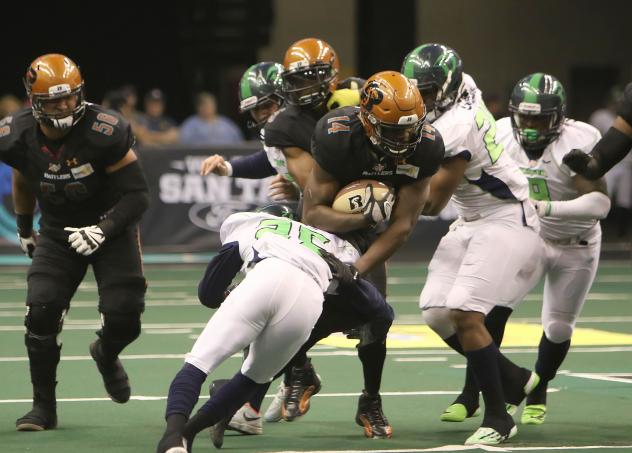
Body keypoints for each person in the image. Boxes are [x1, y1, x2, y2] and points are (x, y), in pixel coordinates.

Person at [155, 205, 393, 453]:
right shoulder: (336, 244)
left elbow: (208, 294)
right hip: (306, 303)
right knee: (253, 378)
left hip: (264, 280)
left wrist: (228, 295)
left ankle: (174, 437)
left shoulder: (250, 224)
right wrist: (356, 287)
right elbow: (377, 307)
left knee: (198, 363)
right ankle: (190, 433)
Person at [401, 44, 541, 445]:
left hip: (506, 217)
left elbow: (432, 203)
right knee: (435, 311)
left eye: (427, 92)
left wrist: (383, 184)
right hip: (473, 218)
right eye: (417, 90)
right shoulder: (464, 86)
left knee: (464, 311)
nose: (421, 100)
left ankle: (499, 417)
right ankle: (511, 376)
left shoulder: (455, 126)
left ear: (444, 89)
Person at [0, 54, 149, 430]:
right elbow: (23, 178)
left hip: (108, 228)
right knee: (41, 311)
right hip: (56, 231)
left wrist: (103, 229)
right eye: (54, 99)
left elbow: (137, 195)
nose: (65, 106)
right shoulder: (15, 135)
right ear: (34, 101)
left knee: (124, 316)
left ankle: (106, 351)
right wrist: (23, 227)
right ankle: (43, 407)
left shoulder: (105, 129)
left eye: (70, 97)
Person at [299, 70, 445, 438]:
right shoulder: (337, 136)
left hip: (376, 236)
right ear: (366, 119)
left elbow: (402, 226)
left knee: (376, 321)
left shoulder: (426, 145)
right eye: (394, 130)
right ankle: (293, 372)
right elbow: (312, 213)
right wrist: (363, 214)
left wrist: (358, 268)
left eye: (410, 129)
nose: (404, 137)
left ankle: (371, 399)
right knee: (299, 317)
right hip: (326, 231)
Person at [495, 73, 608, 425]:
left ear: (558, 117)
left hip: (578, 243)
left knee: (558, 327)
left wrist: (547, 209)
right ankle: (476, 395)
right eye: (525, 116)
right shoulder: (499, 134)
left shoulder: (579, 140)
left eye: (539, 118)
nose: (530, 125)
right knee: (491, 310)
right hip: (532, 238)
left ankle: (540, 386)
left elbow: (601, 204)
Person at [200, 61, 298, 202]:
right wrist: (226, 168)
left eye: (267, 105)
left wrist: (300, 192)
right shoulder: (282, 136)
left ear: (286, 98)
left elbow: (328, 187)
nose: (262, 114)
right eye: (256, 109)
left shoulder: (306, 131)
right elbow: (271, 160)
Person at [563, 81, 632, 179]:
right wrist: (593, 162)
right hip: (615, 166)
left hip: (627, 164)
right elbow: (620, 136)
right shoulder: (601, 116)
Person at [179, 92, 244, 146]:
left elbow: (239, 142)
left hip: (225, 157)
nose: (206, 108)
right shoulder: (190, 124)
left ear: (215, 105)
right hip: (199, 158)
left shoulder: (226, 124)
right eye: (203, 105)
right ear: (198, 107)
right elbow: (183, 143)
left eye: (209, 105)